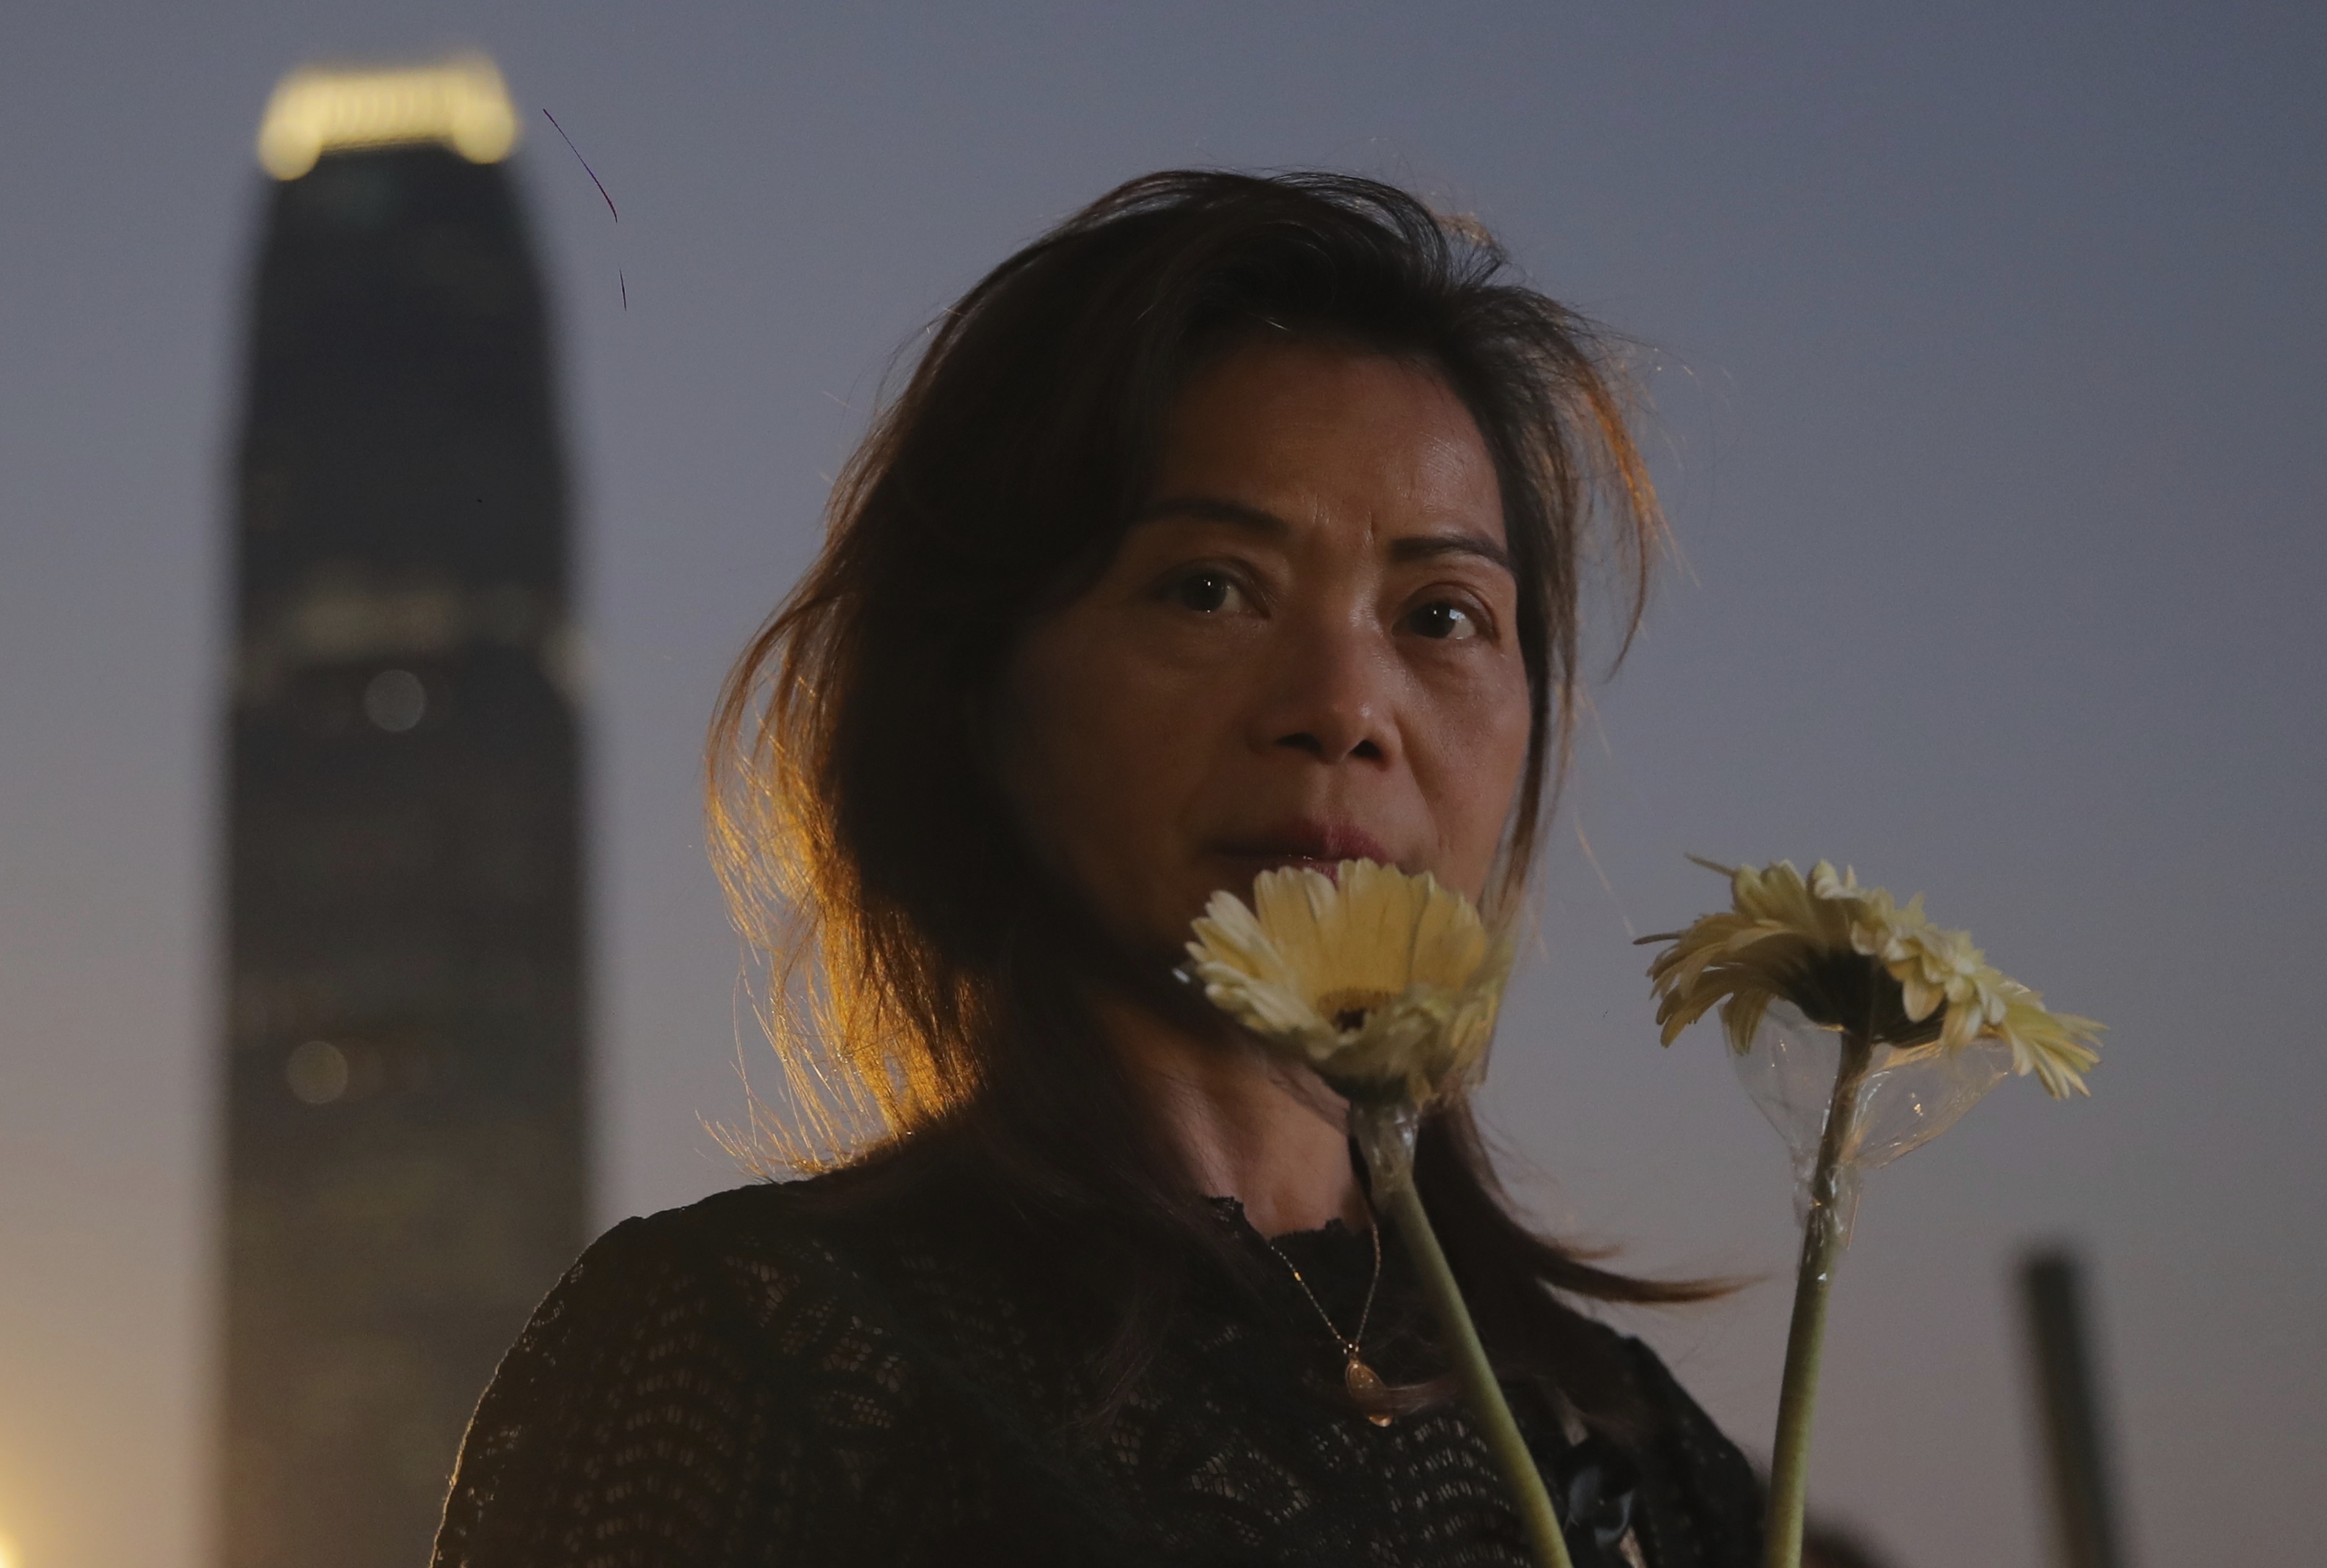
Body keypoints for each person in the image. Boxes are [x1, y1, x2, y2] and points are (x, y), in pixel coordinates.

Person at [431, 170, 1761, 1568]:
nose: (1344, 705)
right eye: (1209, 585)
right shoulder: (761, 1348)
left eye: (1441, 613)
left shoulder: (1634, 1451)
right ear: (976, 683)